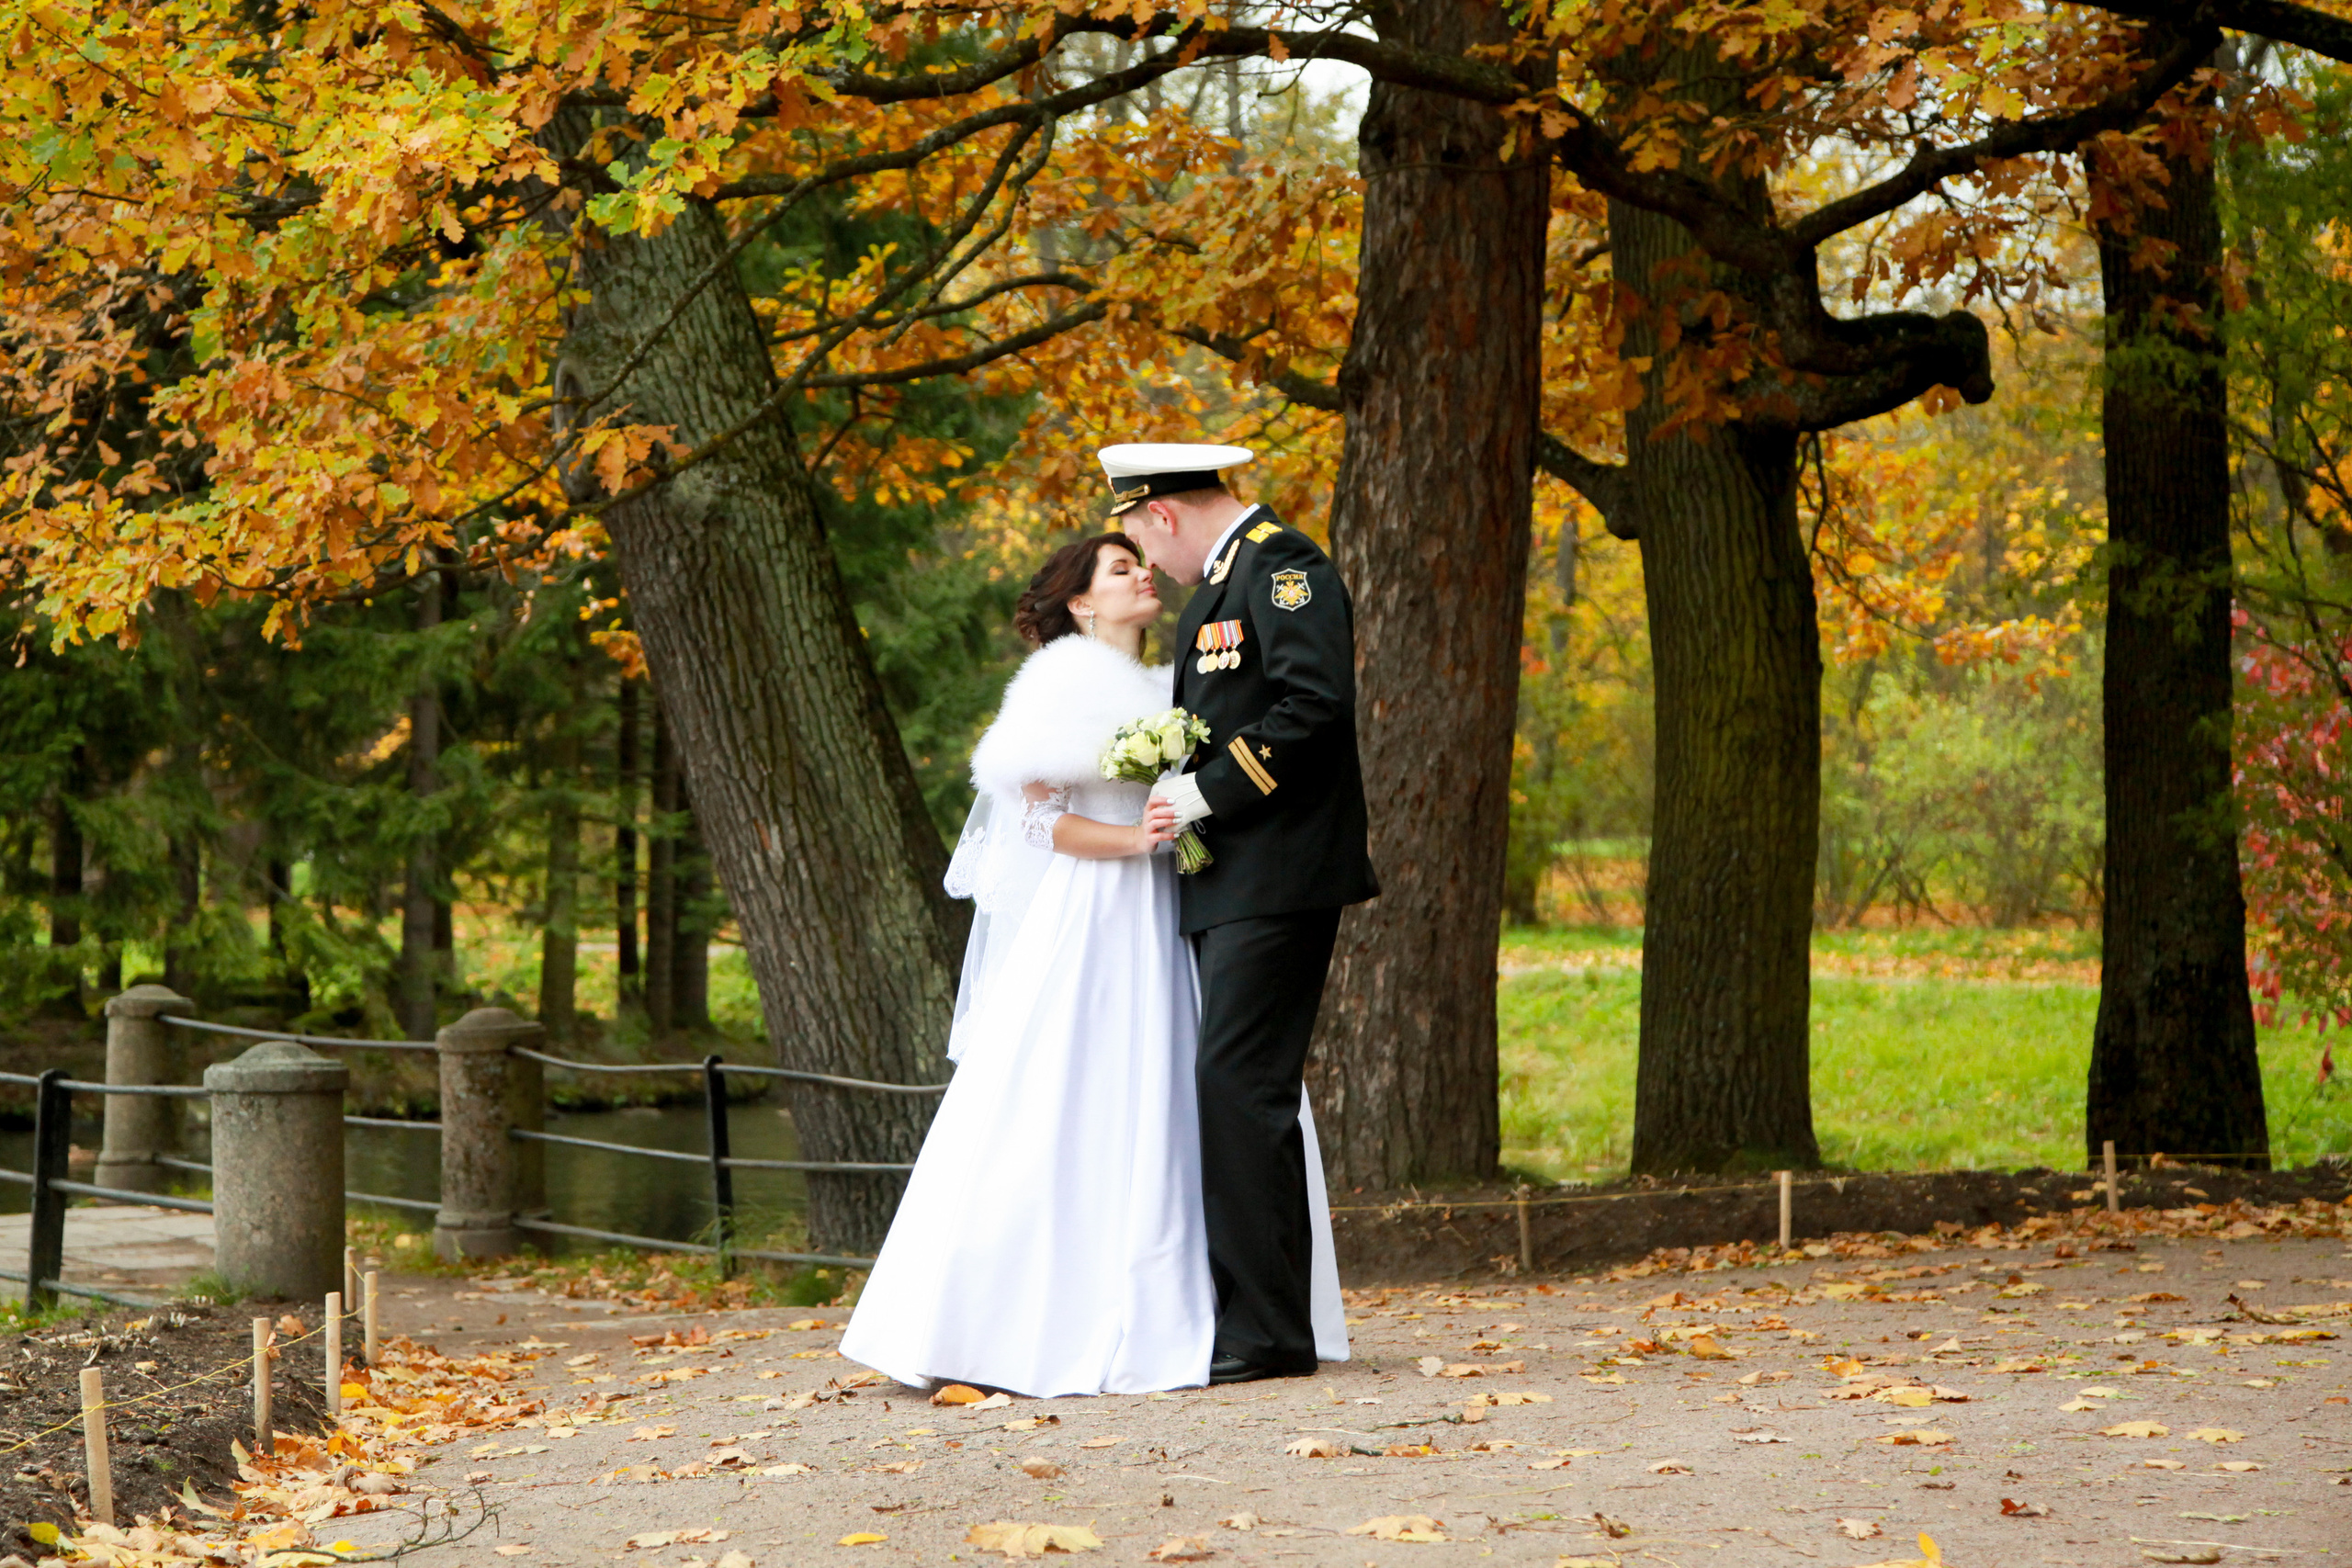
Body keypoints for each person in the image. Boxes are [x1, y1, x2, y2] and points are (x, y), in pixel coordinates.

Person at [839, 523, 1347, 1398]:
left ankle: (1198, 1304)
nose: (1142, 576)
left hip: (1180, 905)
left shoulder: (1174, 682)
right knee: (1071, 1097)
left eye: (1141, 562)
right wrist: (1133, 840)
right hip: (1099, 909)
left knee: (1185, 1094)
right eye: (1121, 568)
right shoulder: (1060, 683)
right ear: (1081, 601)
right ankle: (1002, 1319)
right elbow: (1038, 819)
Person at [1114, 443, 1381, 1385]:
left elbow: (1314, 705)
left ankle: (1267, 1331)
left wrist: (1208, 794)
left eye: (1144, 541)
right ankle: (1255, 1321)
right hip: (1238, 879)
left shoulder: (1283, 569)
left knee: (1240, 1087)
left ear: (1166, 515)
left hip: (1278, 874)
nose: (1150, 567)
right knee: (1232, 1088)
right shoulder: (1224, 585)